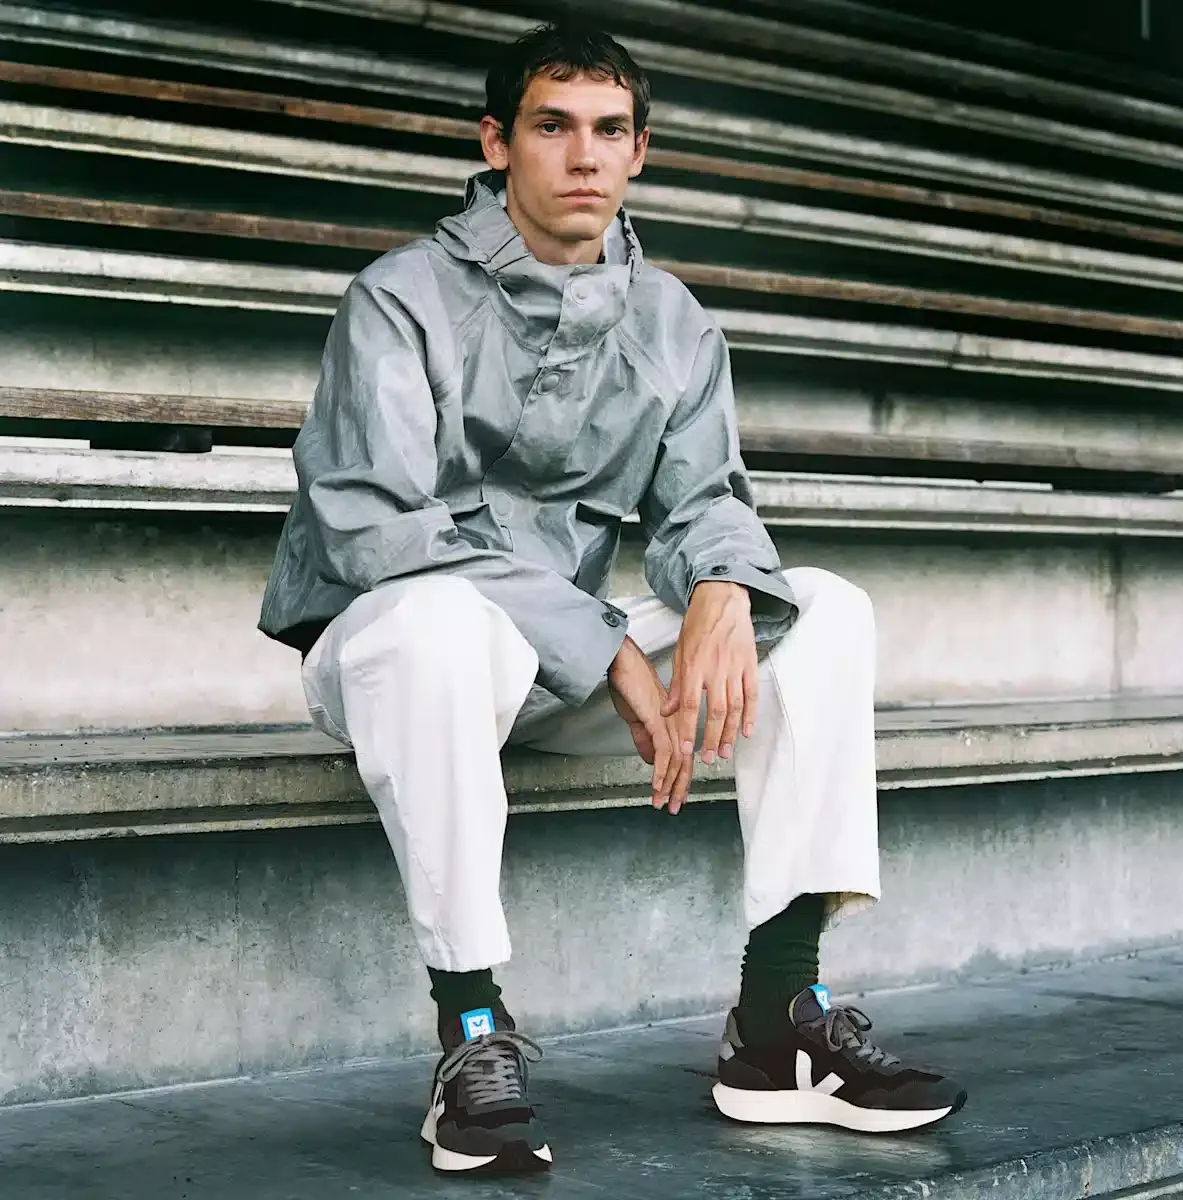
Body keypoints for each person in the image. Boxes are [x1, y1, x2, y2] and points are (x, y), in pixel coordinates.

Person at [259, 20, 966, 1176]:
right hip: (392, 655)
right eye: (553, 126)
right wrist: (604, 641)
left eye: (609, 130)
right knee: (440, 625)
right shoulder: (399, 296)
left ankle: (779, 1020)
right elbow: (375, 529)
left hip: (561, 671)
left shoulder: (672, 319)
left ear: (640, 151)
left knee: (821, 607)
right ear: (497, 143)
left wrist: (726, 584)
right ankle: (471, 1031)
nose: (584, 155)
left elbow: (706, 501)